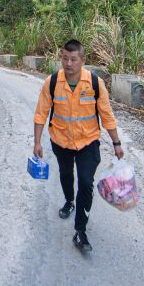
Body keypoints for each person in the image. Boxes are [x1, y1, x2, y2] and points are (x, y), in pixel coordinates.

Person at [33, 39, 123, 252]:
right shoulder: (52, 82)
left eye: (73, 59)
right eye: (65, 58)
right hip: (61, 140)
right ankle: (68, 201)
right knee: (65, 174)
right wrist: (37, 142)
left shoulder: (94, 83)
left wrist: (116, 143)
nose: (68, 64)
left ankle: (80, 230)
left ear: (82, 60)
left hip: (88, 142)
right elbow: (41, 113)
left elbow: (107, 115)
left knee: (85, 182)